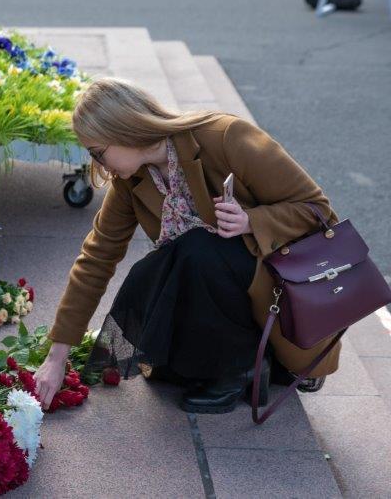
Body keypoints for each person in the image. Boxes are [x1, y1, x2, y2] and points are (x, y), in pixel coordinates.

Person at [34, 77, 342, 414]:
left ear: (122, 130)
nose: (99, 167)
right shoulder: (133, 179)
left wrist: (251, 221)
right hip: (214, 291)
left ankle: (240, 368)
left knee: (196, 249)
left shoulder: (225, 136)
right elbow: (97, 257)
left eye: (98, 153)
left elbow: (318, 210)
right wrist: (57, 356)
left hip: (277, 287)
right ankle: (260, 359)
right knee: (155, 281)